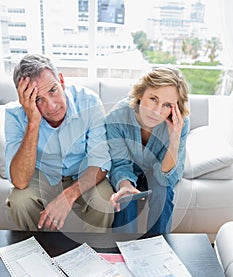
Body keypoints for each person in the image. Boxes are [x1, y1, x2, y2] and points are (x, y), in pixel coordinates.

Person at [5, 53, 114, 232]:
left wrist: (68, 195)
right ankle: (38, 252)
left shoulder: (89, 102)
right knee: (20, 200)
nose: (52, 106)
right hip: (43, 177)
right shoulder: (15, 116)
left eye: (53, 91)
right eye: (38, 99)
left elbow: (100, 162)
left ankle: (92, 253)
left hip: (83, 173)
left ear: (61, 81)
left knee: (104, 200)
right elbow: (20, 181)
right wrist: (33, 121)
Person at [105, 66, 189, 235]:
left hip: (159, 170)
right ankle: (123, 249)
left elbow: (167, 178)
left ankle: (157, 250)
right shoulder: (117, 117)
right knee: (126, 197)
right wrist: (125, 185)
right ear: (140, 93)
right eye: (153, 99)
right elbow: (120, 163)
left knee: (163, 191)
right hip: (130, 170)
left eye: (167, 105)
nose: (156, 111)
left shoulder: (181, 124)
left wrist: (174, 139)